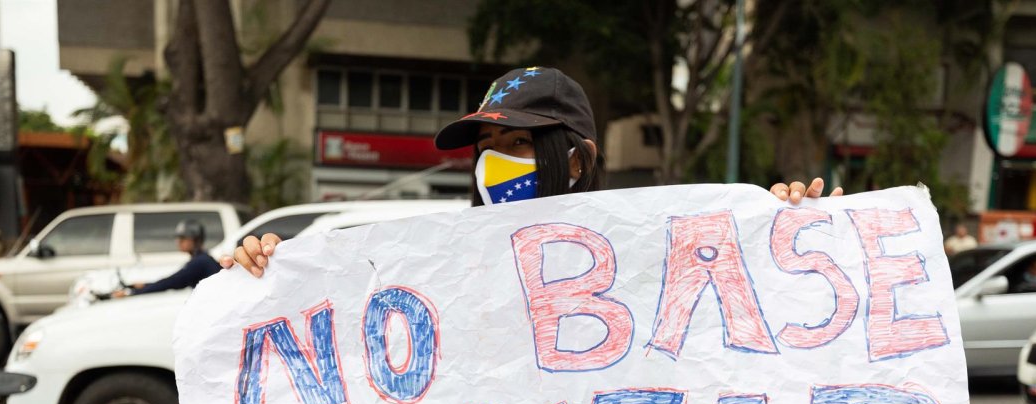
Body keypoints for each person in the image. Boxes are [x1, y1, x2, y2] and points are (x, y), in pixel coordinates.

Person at [222, 66, 838, 277]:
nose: (493, 161)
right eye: (487, 145)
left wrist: (786, 225)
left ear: (577, 159)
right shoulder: (440, 258)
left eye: (519, 141)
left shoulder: (651, 245)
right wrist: (277, 271)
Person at [113, 219, 221, 297]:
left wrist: (132, 293)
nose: (178, 242)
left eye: (183, 238)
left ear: (194, 240)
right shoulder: (203, 259)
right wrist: (145, 285)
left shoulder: (200, 262)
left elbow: (171, 282)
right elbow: (176, 281)